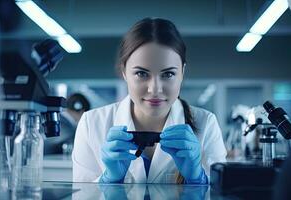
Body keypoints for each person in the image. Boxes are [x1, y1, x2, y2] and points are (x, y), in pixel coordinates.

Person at [72, 17, 227, 184]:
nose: (154, 89)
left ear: (182, 72)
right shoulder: (91, 124)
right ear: (124, 72)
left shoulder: (207, 123)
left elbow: (222, 194)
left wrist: (197, 178)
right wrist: (109, 180)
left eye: (168, 74)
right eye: (141, 73)